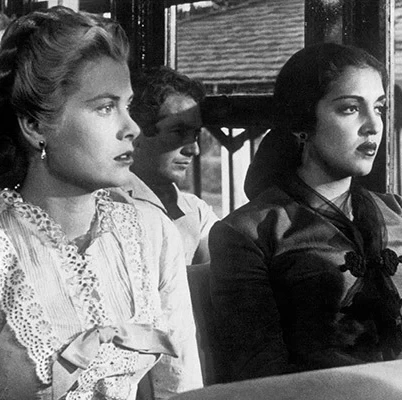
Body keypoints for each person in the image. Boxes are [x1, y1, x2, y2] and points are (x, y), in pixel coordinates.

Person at [0, 6, 202, 400]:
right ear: (35, 125)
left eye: (127, 106)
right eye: (105, 107)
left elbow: (182, 387)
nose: (132, 128)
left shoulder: (152, 233)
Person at [209, 42, 402, 383]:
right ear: (303, 122)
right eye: (350, 109)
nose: (373, 125)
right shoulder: (248, 232)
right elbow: (259, 376)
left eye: (379, 107)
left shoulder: (397, 210)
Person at [118, 66, 218, 266]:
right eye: (178, 132)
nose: (194, 149)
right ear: (135, 135)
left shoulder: (196, 211)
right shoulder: (108, 206)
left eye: (195, 134)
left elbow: (217, 275)